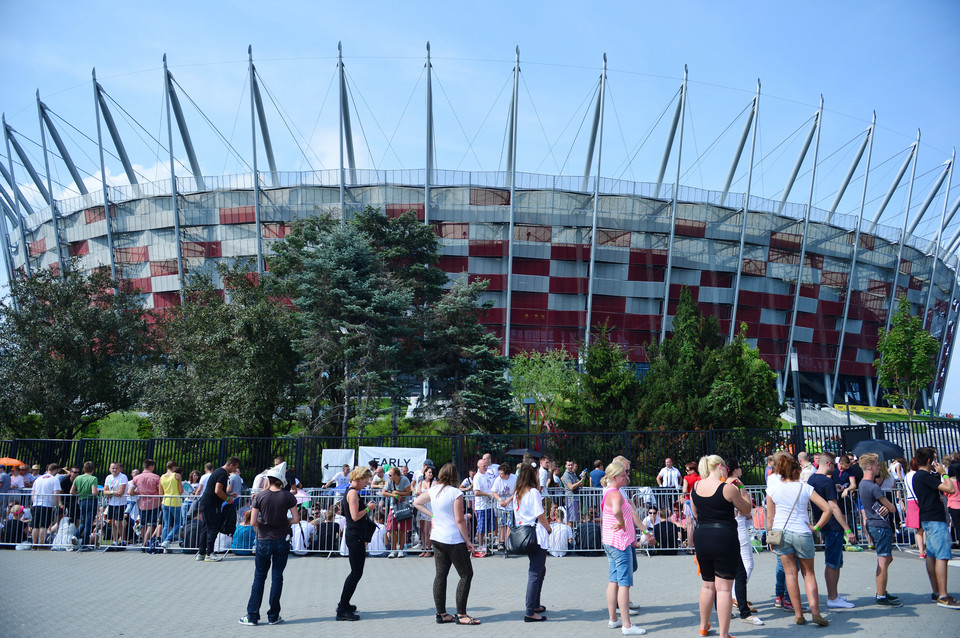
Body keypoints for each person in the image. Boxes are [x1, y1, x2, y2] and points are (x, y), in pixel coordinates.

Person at [766, 454, 832, 626]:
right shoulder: (805, 488)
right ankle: (815, 612)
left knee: (790, 574)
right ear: (795, 471)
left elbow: (770, 516)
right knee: (808, 574)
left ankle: (798, 614)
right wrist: (816, 527)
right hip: (802, 531)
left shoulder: (773, 489)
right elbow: (827, 509)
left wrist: (770, 537)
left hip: (781, 532)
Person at [690, 455, 751, 638]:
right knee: (724, 588)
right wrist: (742, 488)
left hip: (702, 536)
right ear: (719, 466)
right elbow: (746, 509)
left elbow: (695, 513)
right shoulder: (728, 489)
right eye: (724, 466)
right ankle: (724, 634)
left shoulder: (696, 487)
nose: (726, 470)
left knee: (707, 585)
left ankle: (703, 626)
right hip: (724, 537)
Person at [414, 462, 479, 625]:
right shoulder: (455, 493)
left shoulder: (434, 489)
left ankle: (441, 613)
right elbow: (459, 519)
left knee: (440, 575)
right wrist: (468, 540)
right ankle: (462, 614)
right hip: (453, 538)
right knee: (466, 574)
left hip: (437, 537)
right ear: (455, 475)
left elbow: (417, 502)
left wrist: (433, 516)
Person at [239, 462, 298, 626]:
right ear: (282, 481)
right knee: (277, 577)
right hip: (282, 539)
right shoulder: (288, 496)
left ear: (269, 479)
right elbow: (296, 519)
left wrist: (264, 522)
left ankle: (252, 615)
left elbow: (253, 521)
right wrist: (285, 521)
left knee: (259, 577)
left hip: (264, 539)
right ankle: (273, 615)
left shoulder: (260, 496)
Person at [601, 461, 646, 635]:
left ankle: (614, 619)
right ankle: (627, 625)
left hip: (610, 541)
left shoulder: (610, 492)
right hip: (620, 543)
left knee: (614, 580)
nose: (626, 478)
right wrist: (621, 522)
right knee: (624, 583)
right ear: (614, 477)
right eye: (623, 476)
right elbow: (616, 510)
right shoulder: (616, 494)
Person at [807, 451, 856, 609]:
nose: (835, 468)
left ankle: (834, 594)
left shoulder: (812, 479)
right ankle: (833, 597)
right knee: (833, 562)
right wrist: (848, 529)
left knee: (833, 561)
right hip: (833, 525)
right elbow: (833, 507)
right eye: (834, 465)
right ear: (828, 464)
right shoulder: (825, 482)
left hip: (823, 523)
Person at [912, 447, 959, 609]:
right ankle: (943, 594)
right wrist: (944, 473)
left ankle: (937, 591)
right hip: (935, 518)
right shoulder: (924, 476)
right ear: (929, 461)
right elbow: (951, 489)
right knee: (942, 556)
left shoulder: (919, 476)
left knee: (932, 555)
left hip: (927, 517)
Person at [857, 453, 901, 606]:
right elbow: (892, 507)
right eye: (876, 465)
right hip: (879, 525)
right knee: (883, 560)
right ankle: (881, 595)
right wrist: (889, 507)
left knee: (887, 558)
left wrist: (885, 508)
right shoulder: (873, 486)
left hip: (874, 523)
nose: (878, 467)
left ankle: (882, 590)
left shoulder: (863, 484)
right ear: (870, 467)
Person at [336, 466, 380, 621]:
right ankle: (342, 608)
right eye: (366, 481)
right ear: (359, 478)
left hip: (355, 535)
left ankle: (345, 604)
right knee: (356, 573)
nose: (367, 484)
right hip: (355, 536)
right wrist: (368, 508)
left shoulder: (351, 491)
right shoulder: (353, 493)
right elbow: (355, 516)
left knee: (356, 572)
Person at [726, 459, 763, 625]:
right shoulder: (734, 485)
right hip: (739, 525)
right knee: (747, 564)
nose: (741, 469)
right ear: (735, 469)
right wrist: (743, 490)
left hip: (736, 525)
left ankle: (736, 595)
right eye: (739, 467)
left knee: (740, 565)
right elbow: (745, 508)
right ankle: (736, 595)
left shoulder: (725, 484)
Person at [514, 462, 550, 622]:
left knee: (539, 570)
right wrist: (549, 528)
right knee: (536, 572)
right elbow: (540, 515)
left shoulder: (518, 492)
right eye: (536, 472)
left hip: (525, 533)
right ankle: (530, 610)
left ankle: (535, 604)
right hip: (536, 534)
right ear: (533, 474)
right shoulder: (533, 492)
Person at [198, 456, 240, 562]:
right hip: (212, 504)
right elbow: (217, 490)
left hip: (206, 502)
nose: (235, 470)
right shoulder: (222, 474)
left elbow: (215, 489)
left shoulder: (218, 471)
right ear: (231, 465)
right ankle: (210, 553)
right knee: (213, 527)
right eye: (235, 467)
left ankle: (201, 553)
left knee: (205, 528)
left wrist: (229, 494)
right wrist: (227, 499)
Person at [128, 459, 162, 545]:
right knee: (151, 524)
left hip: (142, 503)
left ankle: (144, 542)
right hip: (154, 502)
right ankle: (145, 543)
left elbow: (130, 492)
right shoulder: (156, 477)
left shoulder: (136, 478)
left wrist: (138, 492)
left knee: (143, 524)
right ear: (151, 466)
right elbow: (159, 491)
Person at [383, 466, 413, 558]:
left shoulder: (405, 480)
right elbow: (383, 492)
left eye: (390, 475)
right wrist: (394, 495)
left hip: (404, 506)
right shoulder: (390, 481)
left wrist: (398, 493)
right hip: (393, 506)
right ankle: (393, 549)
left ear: (396, 475)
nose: (388, 476)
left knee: (403, 529)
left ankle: (401, 550)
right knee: (392, 528)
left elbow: (408, 493)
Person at [30, 463, 61, 546]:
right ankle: (41, 544)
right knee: (43, 526)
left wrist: (34, 503)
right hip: (47, 504)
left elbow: (33, 492)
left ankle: (34, 543)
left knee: (35, 526)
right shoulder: (54, 479)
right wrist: (56, 505)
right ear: (56, 470)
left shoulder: (38, 479)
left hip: (36, 504)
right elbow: (56, 493)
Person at [70, 461, 98, 550]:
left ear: (83, 469)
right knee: (88, 522)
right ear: (93, 469)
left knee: (83, 521)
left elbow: (71, 492)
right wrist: (97, 491)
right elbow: (94, 492)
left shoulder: (78, 478)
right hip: (91, 501)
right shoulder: (93, 479)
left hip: (81, 500)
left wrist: (80, 492)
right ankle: (85, 543)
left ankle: (75, 535)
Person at [471, 457, 495, 556]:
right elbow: (476, 492)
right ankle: (480, 546)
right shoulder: (477, 477)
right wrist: (487, 495)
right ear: (479, 467)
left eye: (486, 465)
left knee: (490, 527)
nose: (486, 467)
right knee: (481, 528)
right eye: (484, 466)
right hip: (481, 506)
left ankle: (486, 546)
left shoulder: (486, 475)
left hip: (489, 505)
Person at [492, 461, 517, 552]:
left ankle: (508, 541)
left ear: (507, 473)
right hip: (501, 504)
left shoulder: (514, 478)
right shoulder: (498, 479)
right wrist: (500, 500)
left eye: (502, 474)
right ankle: (501, 542)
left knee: (509, 524)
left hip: (510, 504)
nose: (500, 475)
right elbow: (494, 491)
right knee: (501, 524)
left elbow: (516, 492)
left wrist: (508, 500)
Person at [159, 461, 183, 552]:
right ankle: (167, 540)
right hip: (175, 501)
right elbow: (181, 490)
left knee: (167, 524)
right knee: (178, 523)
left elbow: (160, 492)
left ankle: (165, 545)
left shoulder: (162, 477)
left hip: (165, 501)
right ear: (174, 467)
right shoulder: (177, 476)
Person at [103, 462, 128, 549]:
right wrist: (112, 492)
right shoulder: (108, 477)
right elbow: (105, 491)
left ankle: (123, 540)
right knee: (112, 522)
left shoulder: (123, 477)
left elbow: (120, 492)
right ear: (110, 469)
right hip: (111, 503)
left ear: (119, 469)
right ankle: (114, 541)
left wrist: (110, 493)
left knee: (119, 523)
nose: (114, 470)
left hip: (120, 503)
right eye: (113, 468)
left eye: (116, 468)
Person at [904, 456, 926, 557]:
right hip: (920, 499)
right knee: (925, 525)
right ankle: (926, 549)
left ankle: (921, 551)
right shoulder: (920, 475)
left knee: (918, 528)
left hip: (910, 500)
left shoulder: (907, 475)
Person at [415, 463, 436, 557]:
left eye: (432, 473)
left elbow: (433, 493)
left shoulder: (434, 483)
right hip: (422, 507)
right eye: (429, 472)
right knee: (422, 530)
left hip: (430, 507)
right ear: (425, 473)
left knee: (427, 529)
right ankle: (424, 548)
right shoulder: (421, 482)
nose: (430, 474)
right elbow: (418, 492)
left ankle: (429, 548)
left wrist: (425, 491)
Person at [562, 458, 586, 529]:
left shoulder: (573, 474)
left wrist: (583, 478)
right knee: (571, 520)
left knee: (575, 519)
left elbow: (581, 485)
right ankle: (569, 537)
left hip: (576, 498)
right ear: (565, 466)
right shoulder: (566, 475)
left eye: (571, 465)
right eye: (568, 465)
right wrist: (580, 481)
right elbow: (571, 487)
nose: (570, 466)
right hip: (571, 499)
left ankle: (572, 535)